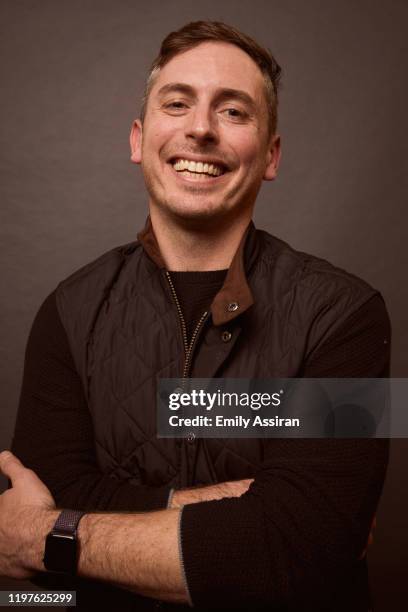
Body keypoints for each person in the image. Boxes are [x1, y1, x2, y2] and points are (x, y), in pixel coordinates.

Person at [1, 20, 390, 612]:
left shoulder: (347, 314)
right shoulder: (67, 310)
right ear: (138, 140)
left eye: (234, 112)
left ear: (271, 155)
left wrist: (48, 534)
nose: (201, 128)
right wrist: (230, 508)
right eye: (177, 103)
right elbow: (41, 583)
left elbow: (299, 547)